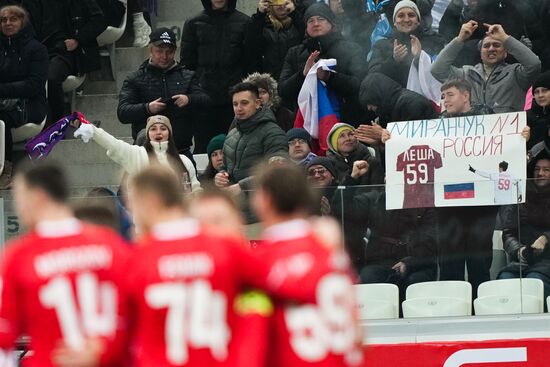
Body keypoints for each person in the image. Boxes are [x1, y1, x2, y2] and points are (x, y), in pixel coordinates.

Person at [123, 165, 318, 366]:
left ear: (239, 221)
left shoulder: (137, 260)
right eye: (203, 223)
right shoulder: (237, 258)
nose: (210, 231)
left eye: (217, 221)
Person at [0, 162, 130, 366]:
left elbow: (4, 336)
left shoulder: (18, 256)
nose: (18, 207)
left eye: (20, 198)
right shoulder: (110, 245)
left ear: (38, 196)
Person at [251, 163, 364, 366]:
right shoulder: (332, 252)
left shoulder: (262, 261)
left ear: (264, 200)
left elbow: (254, 339)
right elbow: (358, 331)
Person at [342, 160, 437, 299]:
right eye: (389, 178)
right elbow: (343, 209)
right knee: (368, 279)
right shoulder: (374, 199)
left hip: (418, 262)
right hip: (380, 262)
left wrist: (409, 263)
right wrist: (352, 178)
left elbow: (430, 240)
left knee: (415, 284)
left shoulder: (425, 203)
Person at [117, 27, 210, 159]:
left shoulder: (188, 76)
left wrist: (189, 99)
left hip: (180, 150)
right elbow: (123, 113)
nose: (164, 56)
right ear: (150, 50)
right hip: (146, 152)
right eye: (159, 51)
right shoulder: (135, 78)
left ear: (175, 52)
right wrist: (148, 107)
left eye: (169, 52)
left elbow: (206, 101)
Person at [181, 0, 251, 153]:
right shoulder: (193, 23)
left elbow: (250, 63)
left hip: (234, 100)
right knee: (203, 150)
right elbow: (187, 66)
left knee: (237, 149)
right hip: (204, 100)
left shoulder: (245, 22)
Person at [278, 2, 367, 123]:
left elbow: (359, 85)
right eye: (310, 21)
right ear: (306, 28)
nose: (315, 24)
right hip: (307, 122)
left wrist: (329, 77)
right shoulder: (294, 53)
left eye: (321, 19)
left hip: (345, 120)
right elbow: (283, 90)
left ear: (332, 24)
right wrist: (302, 75)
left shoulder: (351, 49)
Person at [21, 0, 106, 122]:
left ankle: (57, 124)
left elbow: (99, 20)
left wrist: (78, 39)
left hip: (67, 51)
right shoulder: (28, 4)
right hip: (38, 51)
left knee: (51, 77)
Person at [431, 21, 541, 113]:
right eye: (486, 46)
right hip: (474, 136)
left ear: (506, 52)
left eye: (497, 45)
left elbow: (534, 64)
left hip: (506, 136)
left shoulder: (516, 74)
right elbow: (437, 70)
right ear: (480, 53)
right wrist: (460, 39)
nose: (491, 49)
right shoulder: (466, 74)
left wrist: (505, 38)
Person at [74, 114, 201, 192]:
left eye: (163, 128)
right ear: (147, 134)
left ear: (169, 133)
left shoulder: (184, 160)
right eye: (153, 129)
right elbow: (113, 143)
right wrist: (93, 130)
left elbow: (195, 190)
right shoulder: (137, 155)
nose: (158, 132)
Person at [0, 4, 48, 190]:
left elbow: (34, 85)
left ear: (23, 21)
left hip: (30, 105)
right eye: (3, 20)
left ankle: (5, 170)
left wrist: (2, 90)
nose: (7, 23)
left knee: (1, 119)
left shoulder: (37, 49)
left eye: (13, 19)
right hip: (4, 101)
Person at [215, 82, 287, 194]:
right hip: (236, 203)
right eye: (235, 104)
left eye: (244, 103)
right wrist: (221, 176)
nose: (239, 108)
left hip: (264, 202)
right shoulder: (232, 134)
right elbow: (225, 166)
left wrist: (242, 186)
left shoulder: (273, 132)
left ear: (257, 103)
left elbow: (276, 170)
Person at [499, 152, 550, 300]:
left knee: (534, 280)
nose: (540, 173)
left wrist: (545, 238)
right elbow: (508, 233)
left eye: (546, 170)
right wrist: (518, 250)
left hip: (546, 262)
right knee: (505, 278)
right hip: (521, 261)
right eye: (537, 169)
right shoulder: (520, 196)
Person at [367, 0, 444, 88]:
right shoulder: (381, 45)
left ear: (418, 21)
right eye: (401, 16)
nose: (406, 19)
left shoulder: (435, 41)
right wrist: (393, 60)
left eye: (411, 15)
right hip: (393, 96)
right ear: (394, 22)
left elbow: (441, 73)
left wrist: (420, 58)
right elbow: (372, 78)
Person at [245, 0, 304, 80]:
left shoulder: (300, 20)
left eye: (284, 1)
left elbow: (306, 37)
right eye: (276, 1)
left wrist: (294, 13)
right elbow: (252, 48)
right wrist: (259, 15)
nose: (281, 5)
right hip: (270, 80)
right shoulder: (261, 23)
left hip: (297, 78)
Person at [359, 72, 438, 127]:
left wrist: (381, 134)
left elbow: (411, 141)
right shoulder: (387, 111)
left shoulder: (411, 104)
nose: (369, 108)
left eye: (370, 102)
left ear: (379, 96)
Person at [527, 71, 550, 149]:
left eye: (545, 90)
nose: (540, 95)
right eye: (536, 92)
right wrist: (524, 140)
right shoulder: (527, 117)